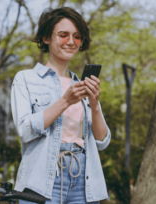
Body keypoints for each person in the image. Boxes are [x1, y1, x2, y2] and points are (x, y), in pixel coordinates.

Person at [11, 7, 111, 204]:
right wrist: (65, 101)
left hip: (84, 180)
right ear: (46, 38)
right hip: (41, 179)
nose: (71, 41)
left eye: (77, 36)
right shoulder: (26, 79)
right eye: (63, 35)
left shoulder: (80, 85)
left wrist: (94, 104)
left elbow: (102, 141)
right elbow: (24, 130)